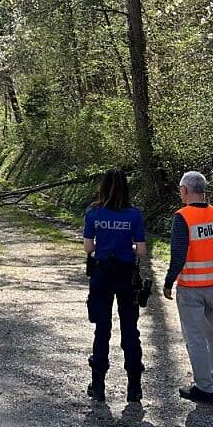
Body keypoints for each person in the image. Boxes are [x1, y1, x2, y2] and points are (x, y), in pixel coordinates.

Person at [163, 171, 213, 404]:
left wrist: (168, 281)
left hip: (190, 289)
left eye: (180, 189)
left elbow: (178, 254)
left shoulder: (182, 217)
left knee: (195, 338)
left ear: (185, 190)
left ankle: (203, 388)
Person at [82, 170, 146, 403]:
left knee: (102, 328)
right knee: (130, 329)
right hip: (126, 274)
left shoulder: (93, 212)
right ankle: (134, 388)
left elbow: (88, 248)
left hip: (101, 273)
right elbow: (141, 250)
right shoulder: (134, 215)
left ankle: (98, 385)